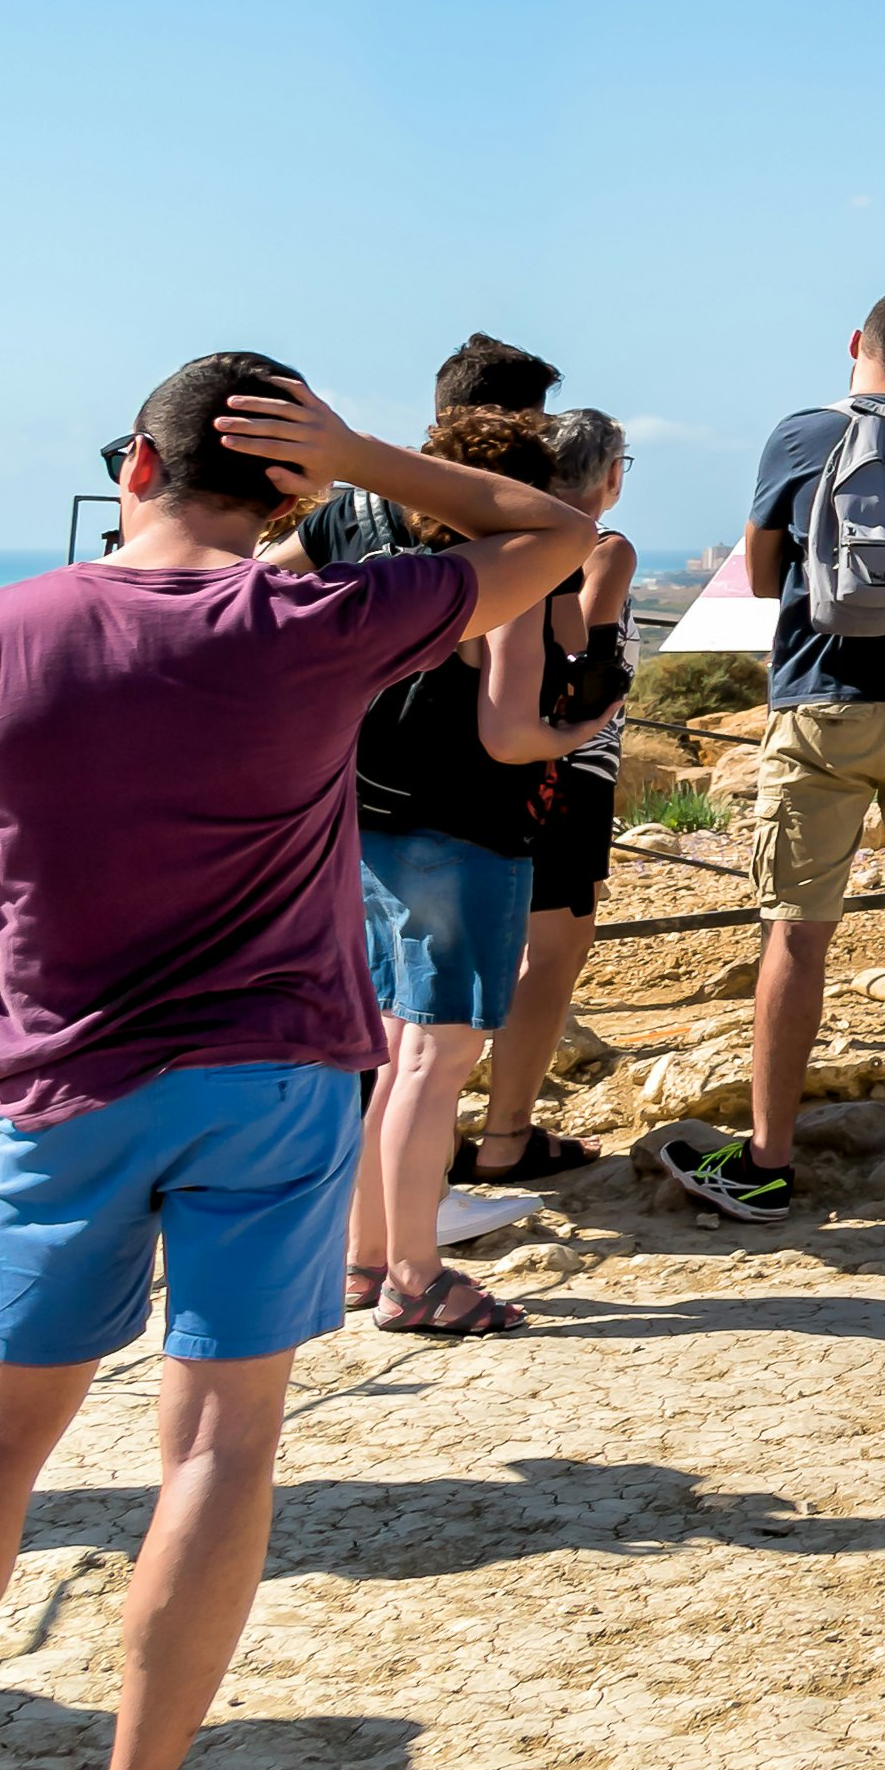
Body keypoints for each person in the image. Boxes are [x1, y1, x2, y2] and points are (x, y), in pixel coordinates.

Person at [0, 357, 589, 1770]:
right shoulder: (315, 621)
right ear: (291, 491)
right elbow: (553, 531)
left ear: (135, 465)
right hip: (271, 1079)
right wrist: (364, 455)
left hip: (67, 1081)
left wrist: (44, 1023)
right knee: (216, 1444)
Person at [657, 292, 885, 1223]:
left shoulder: (800, 435)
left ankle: (767, 1162)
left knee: (796, 934)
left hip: (824, 703)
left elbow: (760, 576)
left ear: (857, 342)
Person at [344, 409, 605, 1334]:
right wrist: (581, 730)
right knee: (437, 1058)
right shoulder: (509, 581)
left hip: (374, 834)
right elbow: (507, 734)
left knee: (395, 1052)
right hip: (464, 839)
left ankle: (367, 1257)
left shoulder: (399, 575)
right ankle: (417, 1279)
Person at [462, 407, 637, 1188]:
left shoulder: (503, 543)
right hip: (571, 770)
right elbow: (583, 647)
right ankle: (507, 1135)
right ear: (610, 476)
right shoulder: (605, 547)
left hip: (490, 766)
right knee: (553, 955)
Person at [292, 330, 560, 570]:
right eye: (540, 423)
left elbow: (269, 585)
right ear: (518, 425)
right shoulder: (540, 527)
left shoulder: (349, 511)